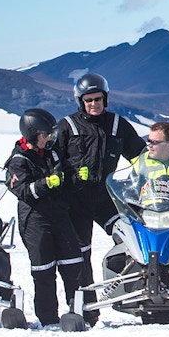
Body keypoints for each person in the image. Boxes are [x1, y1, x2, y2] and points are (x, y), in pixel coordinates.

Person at [56, 73, 146, 324]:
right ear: (80, 101)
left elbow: (141, 157)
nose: (94, 104)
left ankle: (141, 295)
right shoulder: (67, 126)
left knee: (133, 240)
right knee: (79, 256)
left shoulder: (118, 125)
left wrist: (159, 173)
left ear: (105, 98)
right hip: (76, 201)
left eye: (98, 99)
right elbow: (52, 161)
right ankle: (86, 311)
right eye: (88, 100)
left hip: (108, 198)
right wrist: (70, 175)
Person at [5, 108, 84, 327]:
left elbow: (63, 171)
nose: (49, 138)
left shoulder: (51, 152)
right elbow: (22, 190)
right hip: (35, 219)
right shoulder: (18, 160)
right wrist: (45, 183)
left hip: (59, 214)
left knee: (73, 263)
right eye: (45, 134)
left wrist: (76, 175)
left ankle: (79, 312)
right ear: (32, 134)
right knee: (44, 270)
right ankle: (48, 319)